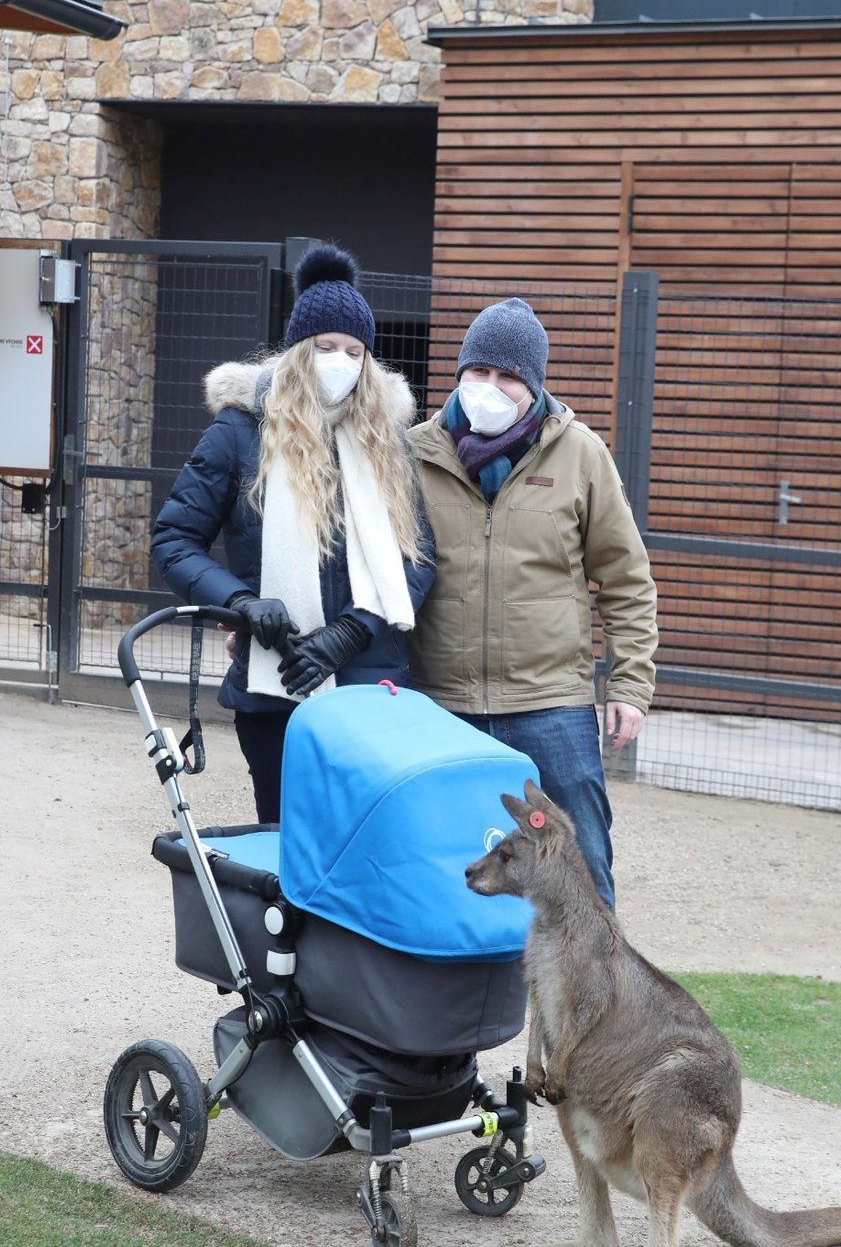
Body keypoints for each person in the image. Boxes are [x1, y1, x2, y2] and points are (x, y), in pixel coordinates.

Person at [151, 242, 435, 824]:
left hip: (369, 681)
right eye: (326, 347)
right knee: (285, 838)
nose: (341, 361)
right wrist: (241, 604)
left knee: (363, 841)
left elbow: (419, 557)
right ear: (298, 352)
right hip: (272, 679)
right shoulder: (240, 433)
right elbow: (174, 540)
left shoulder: (387, 443)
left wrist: (352, 632)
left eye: (355, 351)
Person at [408, 297, 657, 910]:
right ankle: (459, 1003)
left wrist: (629, 684)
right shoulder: (411, 453)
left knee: (581, 871)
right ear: (459, 374)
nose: (489, 387)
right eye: (478, 372)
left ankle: (596, 1005)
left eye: (508, 376)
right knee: (447, 868)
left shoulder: (581, 454)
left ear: (534, 384)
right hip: (442, 704)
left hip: (551, 706)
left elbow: (625, 576)